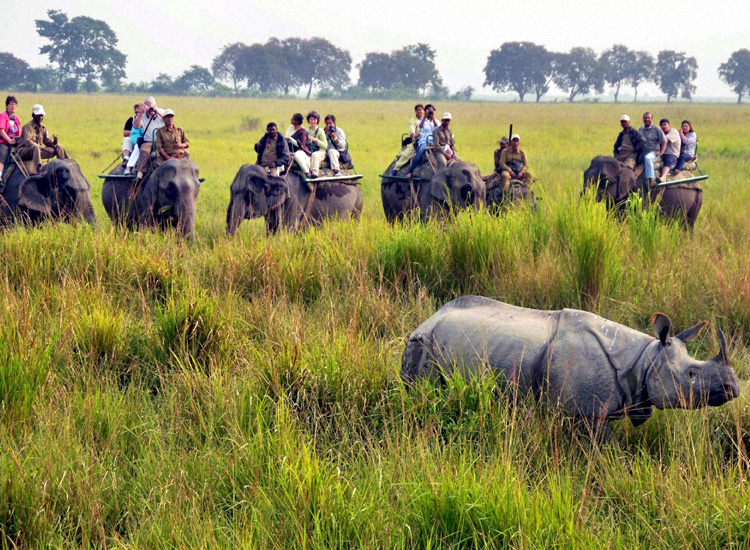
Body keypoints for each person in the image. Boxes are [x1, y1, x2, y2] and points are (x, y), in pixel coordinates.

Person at [17, 104, 69, 175]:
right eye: (38, 115)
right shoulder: (27, 127)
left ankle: (67, 165)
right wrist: (44, 149)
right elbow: (28, 142)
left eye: (41, 115)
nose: (40, 117)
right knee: (35, 147)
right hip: (25, 151)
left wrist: (54, 143)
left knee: (58, 147)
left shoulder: (43, 128)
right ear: (33, 115)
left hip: (37, 152)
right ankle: (39, 169)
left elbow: (48, 142)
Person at [132, 96, 165, 184]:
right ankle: (139, 172)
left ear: (155, 105)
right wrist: (141, 113)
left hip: (163, 141)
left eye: (151, 106)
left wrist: (156, 110)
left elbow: (168, 120)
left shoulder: (161, 112)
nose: (149, 108)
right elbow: (136, 126)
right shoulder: (142, 115)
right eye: (147, 106)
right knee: (144, 151)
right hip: (149, 141)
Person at [406, 104, 439, 178]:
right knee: (420, 151)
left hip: (434, 141)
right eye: (428, 110)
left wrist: (433, 118)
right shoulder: (422, 120)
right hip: (425, 140)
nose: (430, 112)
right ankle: (411, 171)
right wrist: (425, 117)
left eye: (432, 110)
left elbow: (437, 127)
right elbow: (420, 127)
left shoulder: (436, 121)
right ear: (425, 111)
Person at [393, 104, 425, 173]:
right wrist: (414, 134)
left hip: (427, 141)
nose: (419, 111)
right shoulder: (413, 120)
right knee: (405, 155)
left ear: (423, 111)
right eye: (417, 110)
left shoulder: (426, 120)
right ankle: (396, 168)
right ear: (415, 112)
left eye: (421, 110)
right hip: (416, 141)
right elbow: (412, 130)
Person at [639, 112, 666, 186]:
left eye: (648, 118)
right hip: (643, 152)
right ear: (643, 119)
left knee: (648, 158)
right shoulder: (641, 129)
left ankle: (652, 179)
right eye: (645, 118)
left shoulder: (656, 129)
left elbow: (664, 141)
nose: (647, 119)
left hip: (653, 153)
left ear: (651, 119)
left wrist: (661, 153)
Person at [0, 96, 21, 184]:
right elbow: (1, 130)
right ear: (6, 105)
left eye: (15, 104)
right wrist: (9, 141)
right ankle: (0, 175)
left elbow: (19, 133)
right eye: (11, 104)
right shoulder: (3, 116)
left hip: (14, 143)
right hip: (4, 142)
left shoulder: (17, 119)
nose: (13, 106)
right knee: (3, 155)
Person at [285, 113, 313, 178]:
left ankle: (307, 172)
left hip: (301, 151)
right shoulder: (290, 127)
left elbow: (300, 145)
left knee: (297, 155)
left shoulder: (303, 132)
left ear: (296, 121)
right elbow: (286, 137)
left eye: (292, 119)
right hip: (289, 150)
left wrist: (290, 139)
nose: (291, 120)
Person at [123, 103, 145, 174]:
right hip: (136, 140)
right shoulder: (132, 120)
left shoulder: (147, 120)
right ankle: (126, 159)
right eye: (136, 112)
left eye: (140, 112)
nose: (138, 114)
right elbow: (125, 133)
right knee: (127, 140)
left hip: (144, 140)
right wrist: (134, 131)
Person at [307, 111, 328, 177]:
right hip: (309, 150)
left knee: (315, 155)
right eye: (311, 119)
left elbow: (325, 146)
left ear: (317, 121)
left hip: (320, 152)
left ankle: (314, 173)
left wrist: (316, 141)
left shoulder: (320, 131)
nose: (313, 121)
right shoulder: (306, 131)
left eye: (315, 119)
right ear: (309, 120)